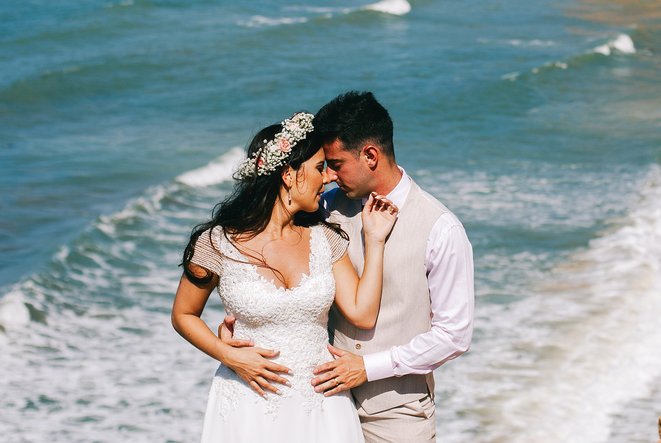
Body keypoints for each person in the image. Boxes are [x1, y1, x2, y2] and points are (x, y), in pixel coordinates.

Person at [171, 111, 398, 443]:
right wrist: (228, 354)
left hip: (322, 405)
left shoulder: (325, 238)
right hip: (247, 403)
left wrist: (375, 240)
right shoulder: (217, 243)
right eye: (320, 168)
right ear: (289, 174)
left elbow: (362, 313)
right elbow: (183, 315)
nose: (329, 178)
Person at [308, 91, 474, 443]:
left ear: (371, 155)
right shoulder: (322, 208)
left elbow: (454, 336)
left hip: (398, 417)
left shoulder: (441, 228)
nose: (329, 176)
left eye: (336, 164)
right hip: (322, 404)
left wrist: (367, 368)